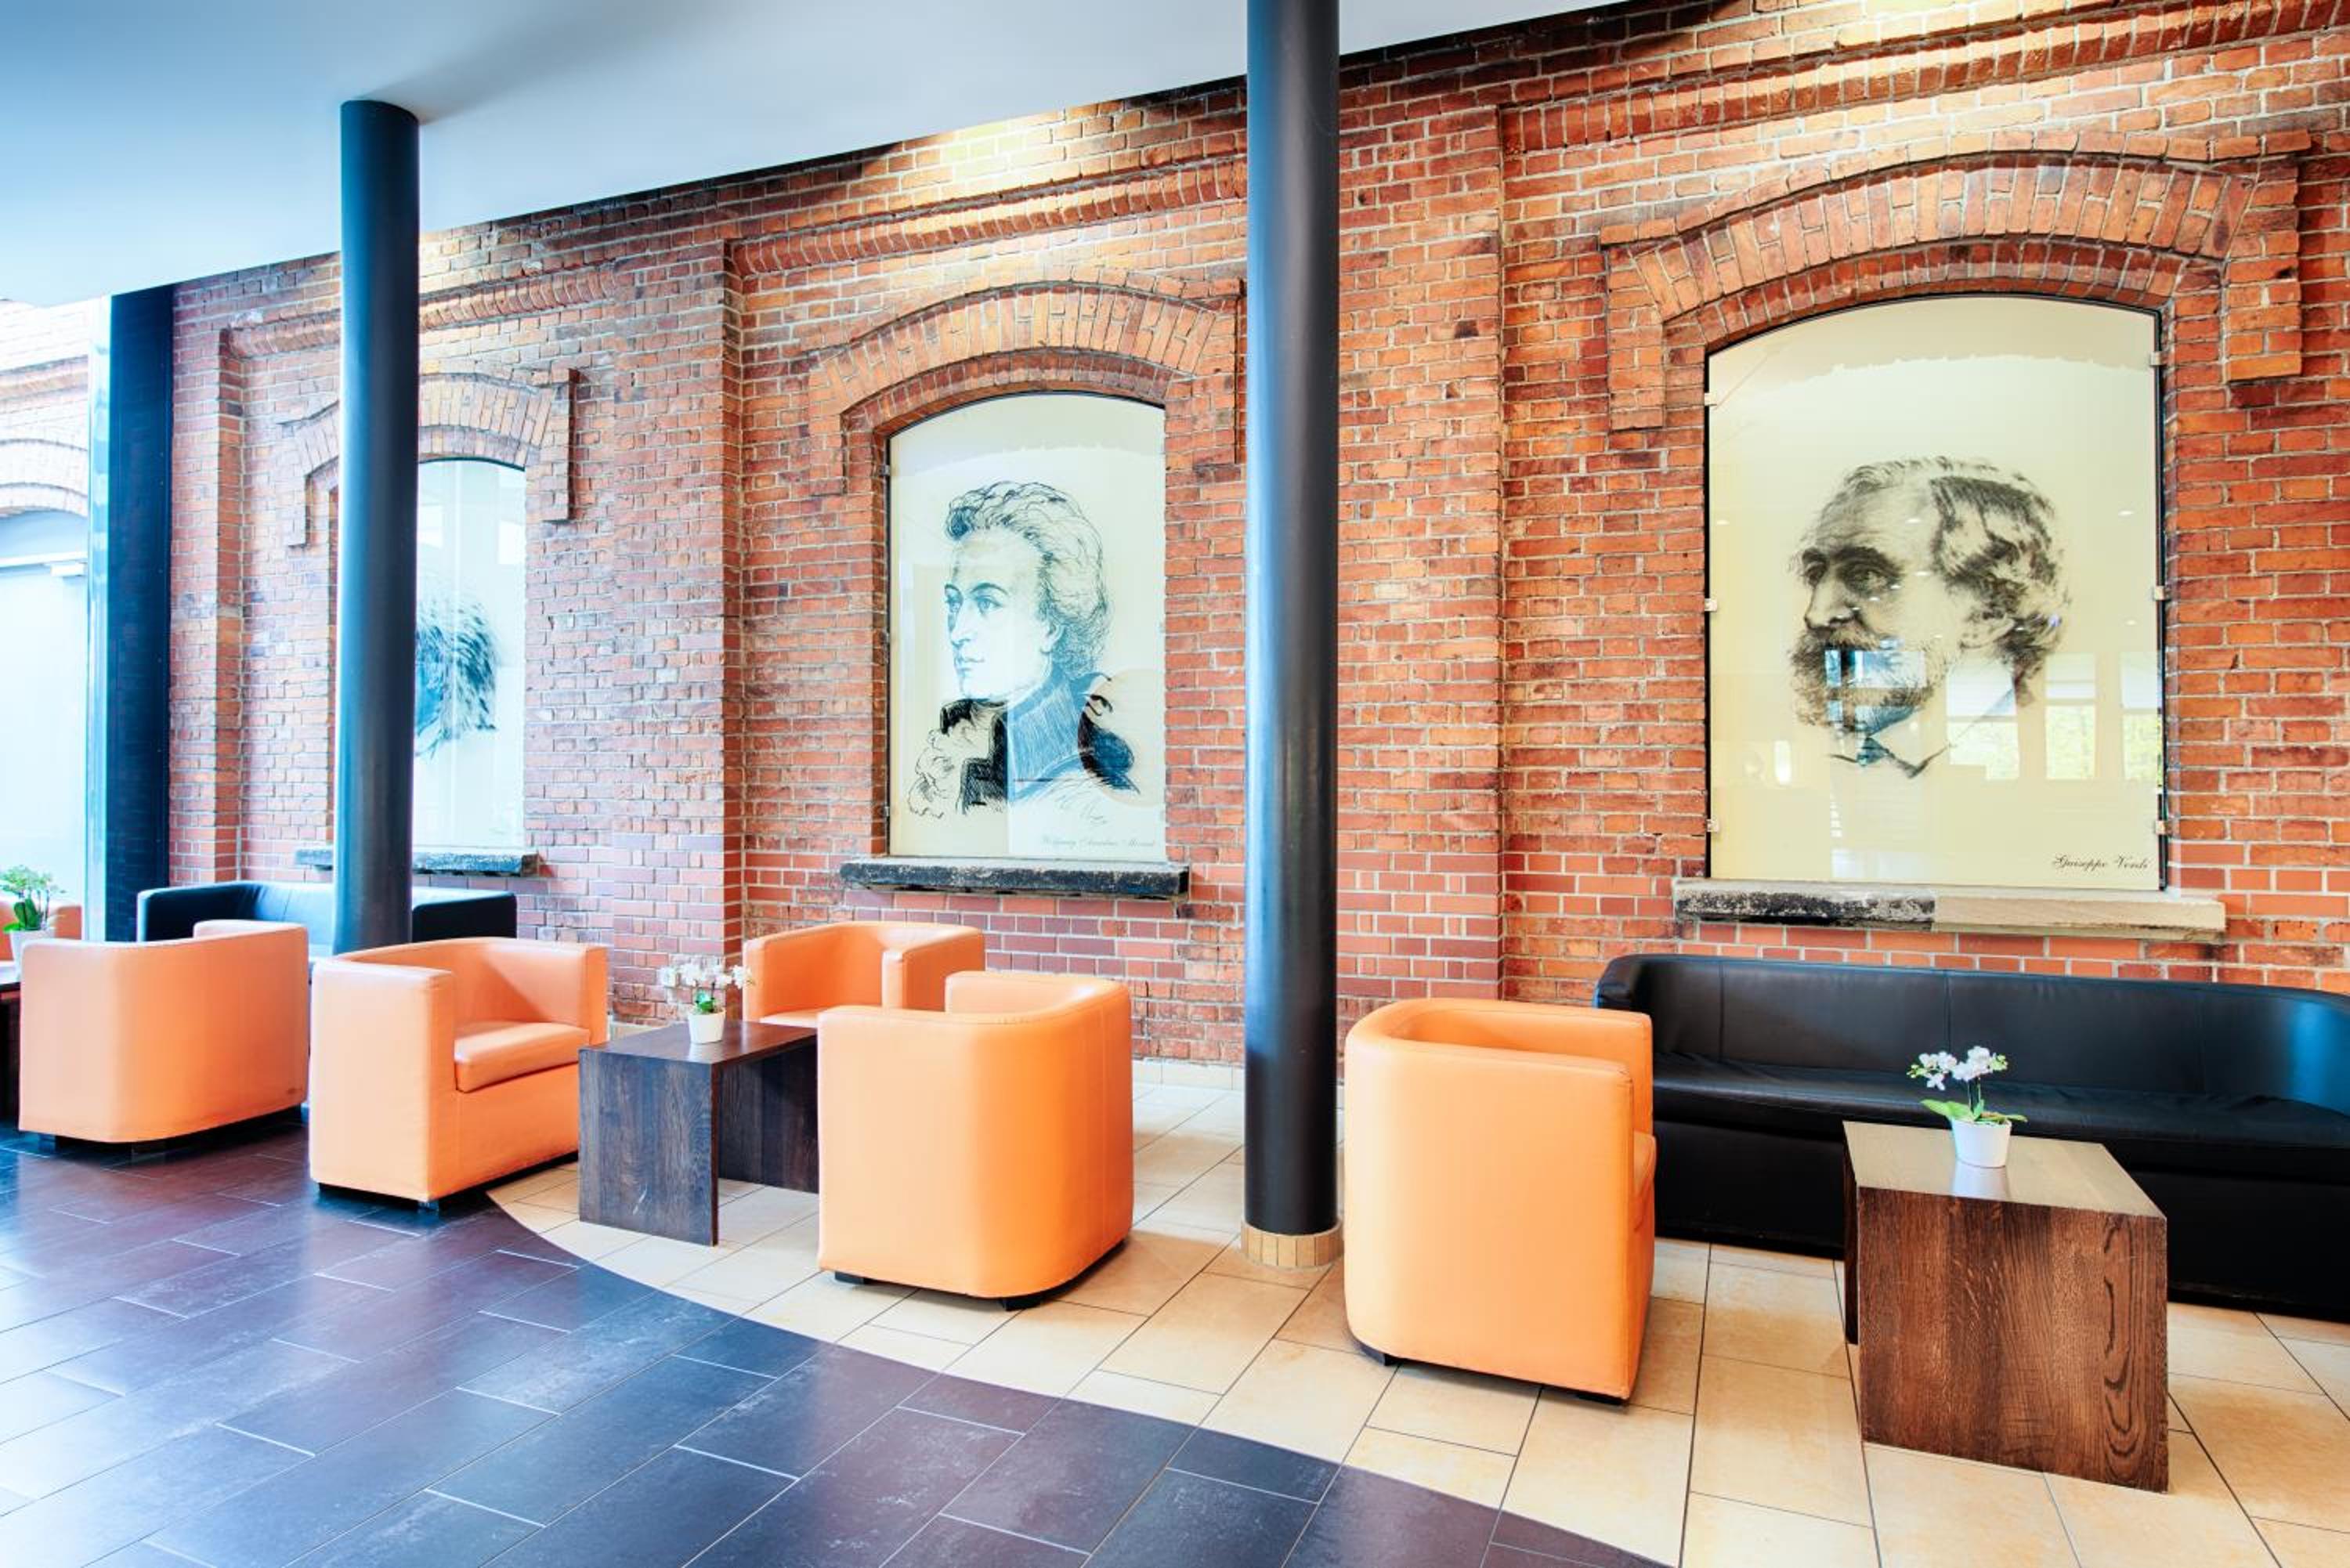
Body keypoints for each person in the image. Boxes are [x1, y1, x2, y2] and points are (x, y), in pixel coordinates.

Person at [1788, 457, 2067, 776]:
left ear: (1988, 612)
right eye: (1816, 574)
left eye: (1866, 574)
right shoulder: (1866, 754)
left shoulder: (2019, 753)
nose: (1816, 615)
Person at [906, 481, 1137, 822]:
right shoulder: (946, 738)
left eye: (988, 603)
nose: (957, 632)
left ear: (1052, 626)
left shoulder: (1084, 787)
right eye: (954, 603)